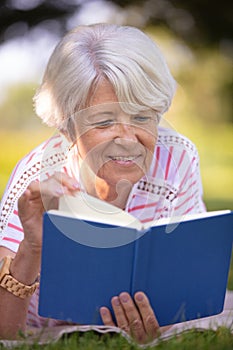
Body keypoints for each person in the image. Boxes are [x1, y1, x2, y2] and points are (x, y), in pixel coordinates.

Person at [0, 23, 206, 343]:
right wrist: (32, 247)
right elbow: (3, 328)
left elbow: (193, 277)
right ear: (68, 128)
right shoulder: (36, 177)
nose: (127, 139)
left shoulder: (177, 159)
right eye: (105, 121)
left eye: (141, 117)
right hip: (45, 325)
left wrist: (163, 315)